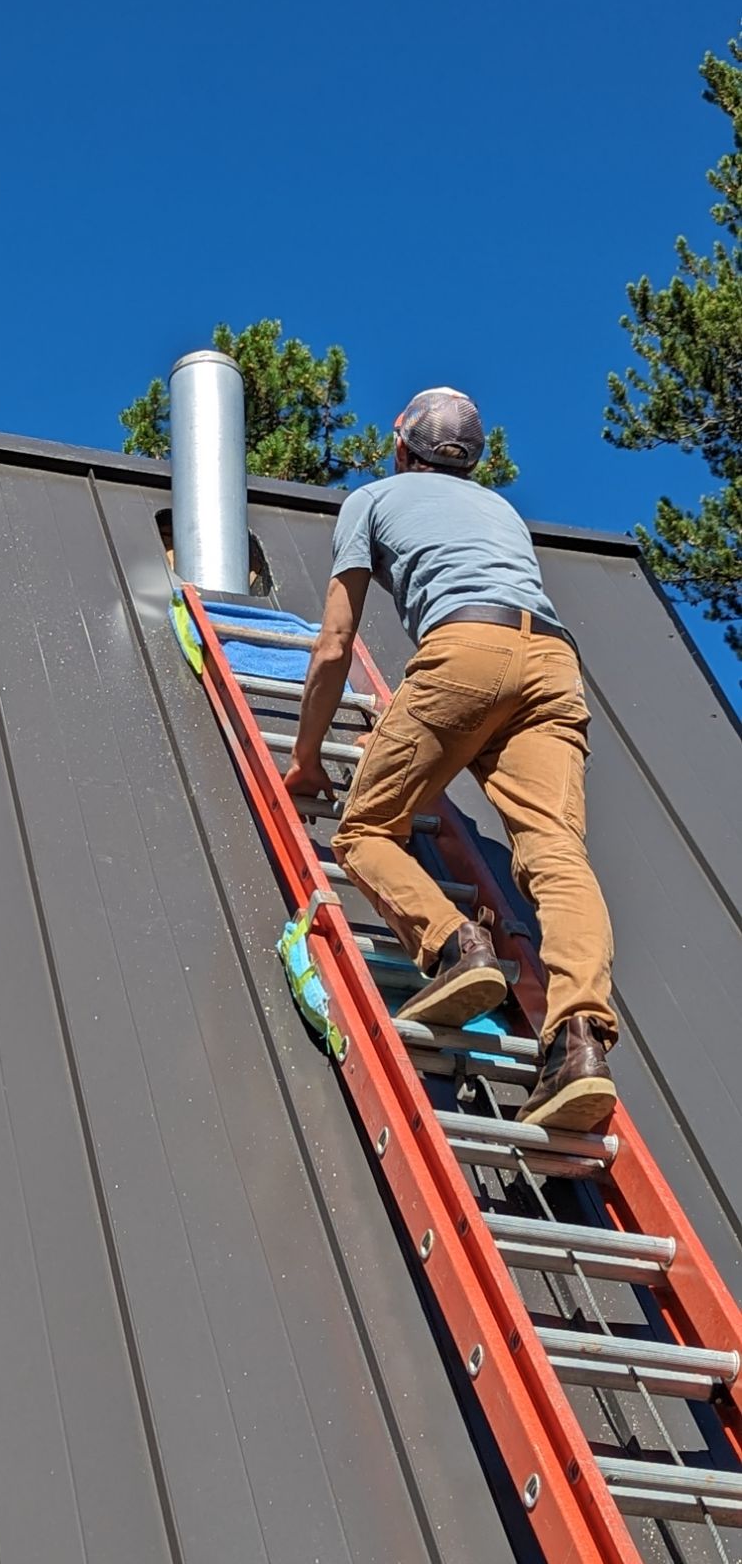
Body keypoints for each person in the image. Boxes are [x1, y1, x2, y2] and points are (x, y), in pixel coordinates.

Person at [284, 386, 618, 1132]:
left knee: (365, 832)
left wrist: (307, 758)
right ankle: (579, 1044)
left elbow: (336, 643)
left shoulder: (371, 499)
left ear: (399, 445)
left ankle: (453, 947)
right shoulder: (499, 511)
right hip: (552, 666)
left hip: (466, 650)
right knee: (555, 857)